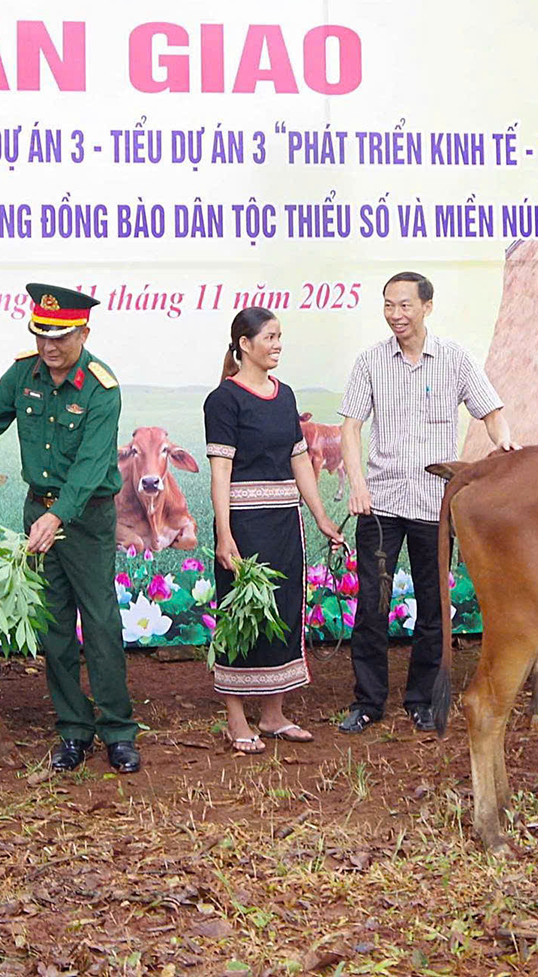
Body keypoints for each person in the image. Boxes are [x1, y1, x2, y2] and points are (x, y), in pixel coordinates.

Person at [0, 284, 140, 773]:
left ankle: (118, 731)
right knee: (55, 625)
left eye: (61, 336)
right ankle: (72, 730)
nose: (50, 346)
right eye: (41, 334)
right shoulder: (25, 373)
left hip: (84, 518)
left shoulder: (101, 389)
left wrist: (58, 516)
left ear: (83, 332)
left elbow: (90, 467)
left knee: (101, 621)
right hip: (37, 511)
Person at [337, 272, 514, 734]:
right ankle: (368, 702)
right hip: (381, 505)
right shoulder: (371, 361)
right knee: (372, 605)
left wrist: (505, 443)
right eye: (388, 306)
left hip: (436, 505)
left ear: (427, 307)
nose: (396, 315)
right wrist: (358, 484)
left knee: (433, 606)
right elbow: (351, 427)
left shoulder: (453, 359)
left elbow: (490, 412)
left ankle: (421, 700)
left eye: (405, 306)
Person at [203, 309, 345, 753]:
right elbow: (220, 471)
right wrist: (225, 535)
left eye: (280, 336)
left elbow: (299, 460)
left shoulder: (285, 397)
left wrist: (321, 516)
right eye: (269, 336)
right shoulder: (223, 400)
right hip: (244, 524)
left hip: (285, 522)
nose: (278, 344)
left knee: (282, 610)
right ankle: (235, 718)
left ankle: (273, 714)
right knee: (240, 618)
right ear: (245, 344)